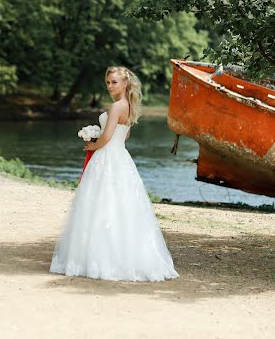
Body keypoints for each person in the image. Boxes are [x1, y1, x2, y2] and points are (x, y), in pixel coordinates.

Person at [49, 66, 179, 282]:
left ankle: (98, 259)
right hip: (121, 158)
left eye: (114, 82)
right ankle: (121, 257)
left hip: (107, 158)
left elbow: (107, 137)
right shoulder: (129, 106)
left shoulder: (117, 106)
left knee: (100, 205)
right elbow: (124, 137)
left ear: (125, 83)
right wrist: (101, 137)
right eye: (108, 82)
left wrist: (92, 145)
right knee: (121, 207)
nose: (110, 86)